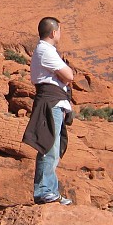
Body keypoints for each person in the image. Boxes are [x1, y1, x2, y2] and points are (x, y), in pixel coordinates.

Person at [21, 16, 74, 205]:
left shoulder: (47, 50)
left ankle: (51, 191)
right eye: (59, 30)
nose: (60, 34)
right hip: (50, 103)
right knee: (48, 146)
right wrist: (66, 75)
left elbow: (66, 78)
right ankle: (44, 191)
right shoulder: (45, 50)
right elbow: (69, 75)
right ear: (53, 32)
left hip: (56, 102)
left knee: (54, 148)